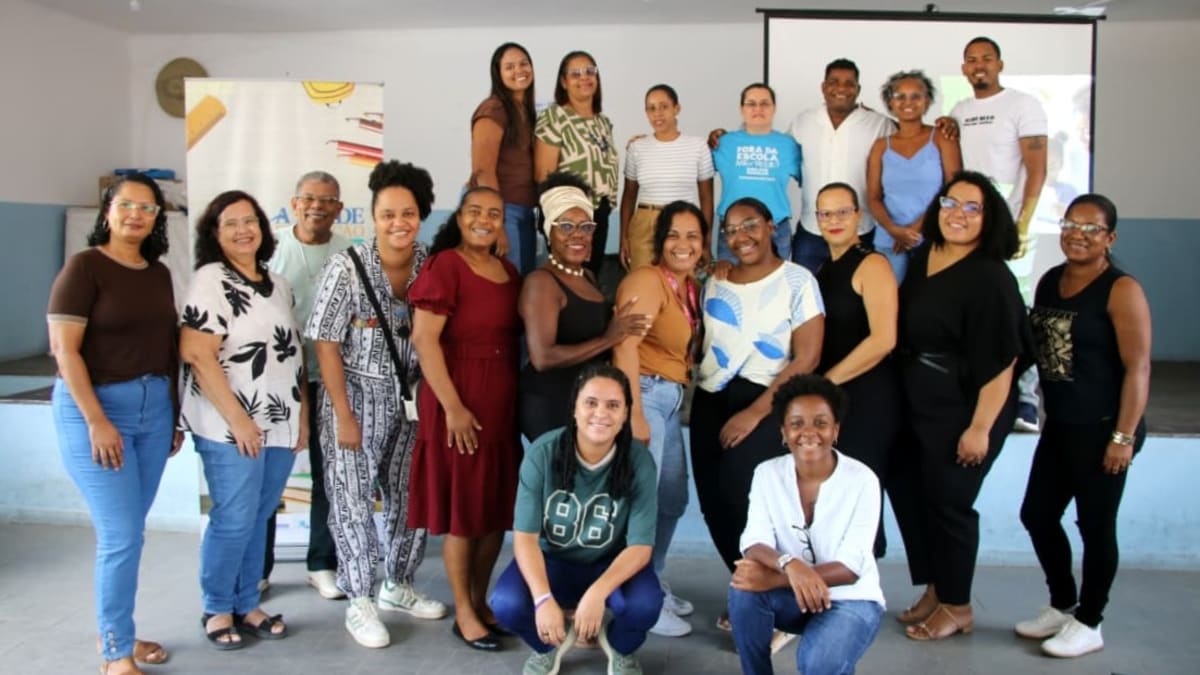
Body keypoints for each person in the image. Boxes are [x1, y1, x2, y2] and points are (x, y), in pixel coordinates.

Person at [306, 161, 447, 648]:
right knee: (351, 500)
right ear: (372, 215)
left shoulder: (431, 263)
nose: (398, 223)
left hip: (413, 398)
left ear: (421, 215)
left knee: (410, 494)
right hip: (355, 399)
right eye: (387, 214)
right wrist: (343, 415)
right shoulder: (345, 267)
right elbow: (325, 342)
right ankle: (360, 600)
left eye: (407, 213)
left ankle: (398, 584)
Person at [889, 171, 1032, 641]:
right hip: (918, 397)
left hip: (967, 404)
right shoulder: (926, 254)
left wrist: (980, 428)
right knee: (914, 494)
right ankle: (936, 586)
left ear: (989, 221)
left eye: (973, 208)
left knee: (951, 503)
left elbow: (1001, 362)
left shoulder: (991, 277)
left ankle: (958, 606)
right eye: (951, 203)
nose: (959, 215)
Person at [48, 173, 179, 675]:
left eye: (147, 208)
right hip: (96, 411)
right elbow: (65, 352)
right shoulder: (84, 268)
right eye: (127, 205)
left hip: (153, 411)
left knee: (131, 532)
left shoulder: (157, 272)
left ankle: (121, 631)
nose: (136, 215)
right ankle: (115, 655)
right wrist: (97, 420)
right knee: (120, 535)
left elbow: (165, 350)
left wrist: (170, 416)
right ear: (107, 210)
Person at [1017, 194, 1151, 658]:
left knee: (1095, 526)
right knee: (1036, 514)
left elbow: (1138, 368)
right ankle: (1062, 603)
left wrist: (1123, 436)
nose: (1078, 233)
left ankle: (1090, 621)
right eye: (1072, 223)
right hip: (1062, 426)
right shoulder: (1051, 281)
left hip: (1104, 429)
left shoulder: (1120, 289)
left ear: (1109, 238)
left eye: (1091, 228)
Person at [180, 190, 307, 649]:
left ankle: (245, 601)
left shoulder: (278, 283)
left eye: (250, 220)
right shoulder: (210, 279)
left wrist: (302, 417)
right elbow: (196, 352)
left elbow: (293, 357)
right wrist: (239, 421)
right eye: (230, 223)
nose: (242, 230)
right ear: (214, 234)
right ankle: (217, 608)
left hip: (279, 419)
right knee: (234, 518)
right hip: (228, 425)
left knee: (258, 516)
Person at [690, 197, 824, 629]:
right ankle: (747, 589)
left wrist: (755, 412)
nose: (740, 237)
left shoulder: (797, 280)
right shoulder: (716, 280)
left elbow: (806, 358)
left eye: (749, 225)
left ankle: (774, 594)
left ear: (770, 226)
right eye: (729, 230)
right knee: (713, 502)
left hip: (765, 399)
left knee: (742, 496)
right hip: (710, 398)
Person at [489, 364, 663, 675]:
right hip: (553, 561)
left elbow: (640, 547)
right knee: (506, 604)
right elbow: (525, 538)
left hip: (610, 563)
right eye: (591, 402)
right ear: (574, 409)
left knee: (646, 605)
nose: (601, 413)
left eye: (613, 405)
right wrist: (543, 599)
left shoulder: (638, 462)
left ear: (625, 415)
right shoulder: (543, 453)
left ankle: (620, 647)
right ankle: (548, 646)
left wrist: (597, 594)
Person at [408, 186, 522, 651]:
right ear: (459, 218)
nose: (485, 220)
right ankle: (463, 611)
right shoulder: (445, 267)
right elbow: (424, 341)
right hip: (456, 404)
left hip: (500, 404)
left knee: (494, 509)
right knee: (462, 514)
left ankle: (480, 599)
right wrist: (453, 407)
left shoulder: (509, 272)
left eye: (494, 213)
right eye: (475, 211)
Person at [728, 374, 885, 675]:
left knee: (818, 664)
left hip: (851, 599)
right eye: (797, 423)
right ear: (784, 433)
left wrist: (778, 578)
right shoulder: (767, 473)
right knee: (744, 587)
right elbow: (753, 541)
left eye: (821, 423)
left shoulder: (862, 479)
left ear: (836, 430)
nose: (808, 432)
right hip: (793, 596)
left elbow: (850, 568)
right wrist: (790, 565)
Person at [613, 201, 706, 637]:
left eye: (693, 236)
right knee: (645, 504)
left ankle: (653, 580)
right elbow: (625, 346)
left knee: (671, 499)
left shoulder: (686, 286)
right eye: (674, 235)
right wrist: (634, 414)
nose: (683, 244)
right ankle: (639, 599)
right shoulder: (647, 280)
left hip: (667, 398)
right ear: (659, 241)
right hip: (645, 394)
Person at [260, 170, 350, 600]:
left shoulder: (350, 253)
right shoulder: (270, 251)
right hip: (278, 383)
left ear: (339, 207)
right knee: (268, 478)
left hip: (331, 379)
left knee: (329, 476)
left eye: (327, 200)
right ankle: (258, 568)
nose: (318, 206)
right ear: (294, 203)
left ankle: (321, 563)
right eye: (309, 199)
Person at [950, 36, 1048, 432]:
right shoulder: (959, 110)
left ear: (1000, 64)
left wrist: (1021, 224)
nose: (979, 65)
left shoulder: (1023, 105)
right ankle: (983, 392)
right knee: (976, 310)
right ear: (963, 68)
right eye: (972, 59)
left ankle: (1026, 399)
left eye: (987, 58)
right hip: (969, 225)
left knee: (1015, 311)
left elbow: (1037, 169)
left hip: (1009, 228)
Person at [519, 172, 647, 442]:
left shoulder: (587, 276)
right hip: (551, 404)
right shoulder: (541, 282)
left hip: (585, 404)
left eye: (585, 227)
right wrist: (607, 339)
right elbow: (542, 357)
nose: (577, 235)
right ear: (549, 231)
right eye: (565, 226)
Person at [812, 183, 901, 558]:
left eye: (842, 212)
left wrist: (826, 382)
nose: (834, 221)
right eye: (825, 214)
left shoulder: (873, 264)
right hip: (834, 399)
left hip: (868, 396)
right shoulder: (822, 268)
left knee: (861, 491)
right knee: (834, 494)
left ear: (858, 216)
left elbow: (884, 339)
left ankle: (861, 592)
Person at [787, 59, 895, 274]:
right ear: (824, 87)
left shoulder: (879, 124)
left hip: (860, 230)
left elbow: (907, 150)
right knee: (805, 297)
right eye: (834, 82)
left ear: (858, 89)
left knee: (854, 299)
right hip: (812, 230)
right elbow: (781, 159)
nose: (841, 89)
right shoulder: (803, 121)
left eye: (849, 83)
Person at [867, 70, 962, 282]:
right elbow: (873, 196)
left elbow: (954, 188)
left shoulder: (942, 137)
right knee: (891, 304)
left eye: (916, 96)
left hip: (933, 237)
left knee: (929, 303)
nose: (907, 102)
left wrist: (914, 229)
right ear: (889, 102)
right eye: (900, 96)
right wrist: (894, 230)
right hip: (890, 241)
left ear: (927, 101)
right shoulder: (881, 146)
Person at [535, 51, 618, 278]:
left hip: (598, 214)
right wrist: (560, 221)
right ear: (564, 81)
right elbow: (544, 175)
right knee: (566, 280)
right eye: (576, 73)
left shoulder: (603, 123)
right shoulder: (555, 117)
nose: (584, 77)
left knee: (590, 279)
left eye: (590, 71)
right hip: (567, 218)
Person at [618, 84, 714, 271]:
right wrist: (624, 237)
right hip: (646, 222)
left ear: (676, 108)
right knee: (643, 284)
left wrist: (706, 239)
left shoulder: (698, 146)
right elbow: (629, 195)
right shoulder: (637, 147)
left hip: (683, 222)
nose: (658, 113)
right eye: (651, 108)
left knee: (683, 285)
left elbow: (706, 197)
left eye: (664, 106)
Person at [711, 83, 801, 263]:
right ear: (741, 109)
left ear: (774, 108)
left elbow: (809, 179)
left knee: (774, 287)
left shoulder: (788, 145)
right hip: (733, 229)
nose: (758, 109)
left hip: (775, 229)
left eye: (764, 103)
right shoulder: (723, 143)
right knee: (730, 284)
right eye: (751, 103)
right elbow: (696, 169)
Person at [472, 42, 537, 274]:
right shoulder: (494, 109)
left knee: (524, 285)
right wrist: (496, 224)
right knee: (509, 282)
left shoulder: (525, 111)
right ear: (498, 74)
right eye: (509, 66)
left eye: (524, 63)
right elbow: (483, 171)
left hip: (525, 212)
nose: (519, 70)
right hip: (504, 211)